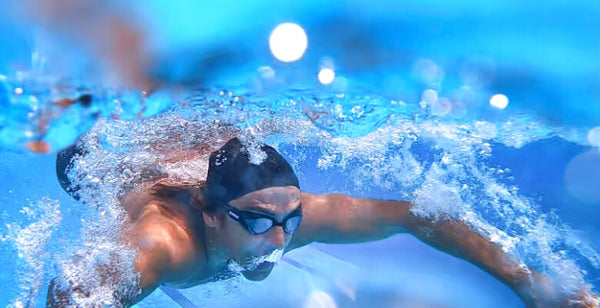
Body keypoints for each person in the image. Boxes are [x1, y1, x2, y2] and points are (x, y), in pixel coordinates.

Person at [48, 137, 599, 307]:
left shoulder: (283, 222)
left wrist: (528, 283)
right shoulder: (165, 242)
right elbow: (72, 292)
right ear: (213, 219)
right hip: (104, 163)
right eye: (263, 225)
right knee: (79, 160)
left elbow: (417, 217)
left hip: (203, 169)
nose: (283, 241)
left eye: (293, 218)